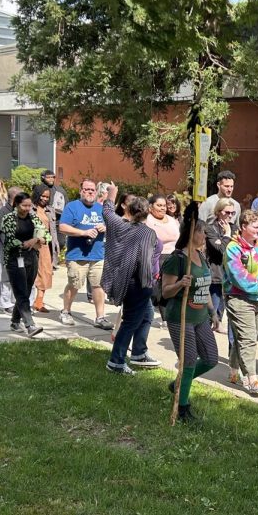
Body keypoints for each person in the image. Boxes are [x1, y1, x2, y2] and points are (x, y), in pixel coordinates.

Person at [160, 203, 219, 421]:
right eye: (202, 231)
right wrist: (179, 285)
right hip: (180, 317)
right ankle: (183, 408)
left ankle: (178, 384)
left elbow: (204, 288)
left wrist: (213, 312)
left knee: (211, 358)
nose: (205, 235)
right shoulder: (178, 259)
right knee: (189, 362)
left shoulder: (201, 257)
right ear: (192, 232)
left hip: (201, 316)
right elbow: (165, 293)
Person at [101, 183, 162, 374]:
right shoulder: (147, 233)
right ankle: (116, 361)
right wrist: (148, 284)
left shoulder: (118, 223)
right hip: (137, 283)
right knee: (130, 322)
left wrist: (112, 194)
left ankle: (138, 353)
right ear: (147, 213)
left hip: (122, 280)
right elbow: (144, 261)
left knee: (147, 315)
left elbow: (108, 211)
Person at [223, 209, 258, 394]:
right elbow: (238, 276)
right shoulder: (233, 248)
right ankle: (251, 379)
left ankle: (232, 372)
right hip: (239, 300)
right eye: (254, 227)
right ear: (243, 227)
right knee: (247, 340)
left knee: (245, 338)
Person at [58, 178, 112, 329]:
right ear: (81, 191)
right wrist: (83, 232)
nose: (89, 192)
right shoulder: (72, 207)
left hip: (98, 254)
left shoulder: (101, 208)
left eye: (92, 190)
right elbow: (62, 227)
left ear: (96, 192)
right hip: (77, 255)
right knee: (75, 284)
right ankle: (66, 312)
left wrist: (105, 227)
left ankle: (100, 317)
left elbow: (112, 225)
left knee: (98, 286)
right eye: (86, 189)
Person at [0, 192, 46, 337]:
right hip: (15, 258)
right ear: (16, 204)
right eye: (24, 205)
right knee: (20, 292)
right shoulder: (8, 218)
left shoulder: (33, 218)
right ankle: (30, 325)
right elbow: (10, 239)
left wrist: (35, 241)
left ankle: (15, 321)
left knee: (25, 291)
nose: (27, 208)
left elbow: (45, 235)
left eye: (29, 205)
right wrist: (27, 243)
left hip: (31, 257)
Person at [204, 198, 238, 334]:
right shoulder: (210, 228)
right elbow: (222, 251)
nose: (230, 215)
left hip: (230, 273)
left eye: (232, 213)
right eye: (227, 212)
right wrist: (227, 235)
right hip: (215, 272)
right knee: (213, 303)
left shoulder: (235, 228)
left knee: (223, 305)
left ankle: (218, 323)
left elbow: (235, 250)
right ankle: (208, 327)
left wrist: (223, 240)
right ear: (218, 212)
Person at [0, 185, 22, 314]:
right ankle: (5, 303)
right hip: (6, 250)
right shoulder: (3, 212)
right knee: (5, 277)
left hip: (21, 251)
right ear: (13, 197)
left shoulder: (21, 211)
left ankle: (17, 301)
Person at [31, 187, 55, 313]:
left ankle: (39, 301)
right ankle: (29, 300)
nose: (45, 199)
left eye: (47, 197)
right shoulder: (30, 207)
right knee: (32, 272)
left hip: (45, 245)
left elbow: (53, 229)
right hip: (32, 244)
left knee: (46, 272)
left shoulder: (50, 210)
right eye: (43, 196)